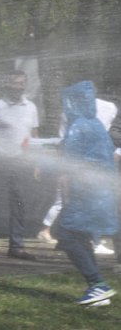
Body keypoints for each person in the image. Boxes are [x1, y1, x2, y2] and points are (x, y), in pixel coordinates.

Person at [57, 81, 118, 306]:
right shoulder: (96, 125)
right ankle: (97, 288)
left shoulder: (78, 126)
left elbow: (72, 160)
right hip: (99, 193)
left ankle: (97, 284)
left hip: (86, 193)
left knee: (66, 235)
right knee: (78, 235)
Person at [0, 69, 39, 260]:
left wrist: (36, 160)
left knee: (19, 204)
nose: (18, 87)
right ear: (7, 84)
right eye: (14, 83)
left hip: (22, 163)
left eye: (21, 83)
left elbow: (34, 135)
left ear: (25, 85)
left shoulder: (31, 107)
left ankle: (16, 246)